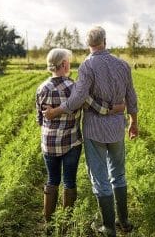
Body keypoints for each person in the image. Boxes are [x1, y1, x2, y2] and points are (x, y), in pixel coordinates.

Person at [43, 26, 138, 237]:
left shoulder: (87, 66)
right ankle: (124, 221)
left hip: (95, 130)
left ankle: (108, 228)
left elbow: (77, 99)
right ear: (105, 41)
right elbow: (131, 97)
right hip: (116, 129)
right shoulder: (123, 65)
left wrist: (55, 112)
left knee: (100, 178)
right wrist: (134, 122)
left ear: (89, 44)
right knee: (119, 175)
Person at [36, 48, 124, 229]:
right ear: (64, 65)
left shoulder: (41, 88)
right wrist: (114, 108)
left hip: (49, 143)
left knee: (52, 180)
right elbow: (95, 106)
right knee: (69, 181)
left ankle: (48, 222)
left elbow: (40, 119)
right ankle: (65, 222)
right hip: (71, 143)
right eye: (68, 61)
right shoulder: (75, 88)